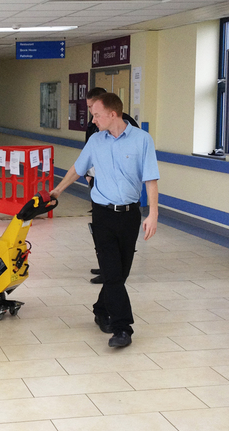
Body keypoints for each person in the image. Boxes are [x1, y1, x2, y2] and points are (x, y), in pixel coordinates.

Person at [50, 93, 159, 348]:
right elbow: (78, 168)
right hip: (102, 214)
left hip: (130, 215)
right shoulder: (96, 141)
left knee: (119, 273)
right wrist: (58, 190)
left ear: (113, 114)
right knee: (111, 271)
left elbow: (151, 179)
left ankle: (101, 308)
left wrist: (153, 213)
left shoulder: (142, 140)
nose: (93, 119)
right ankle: (123, 328)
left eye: (97, 114)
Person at [85, 88, 140, 284]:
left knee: (120, 250)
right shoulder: (93, 127)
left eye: (93, 108)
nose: (92, 115)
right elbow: (87, 156)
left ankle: (111, 272)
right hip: (100, 189)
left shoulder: (132, 128)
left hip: (124, 197)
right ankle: (106, 266)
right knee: (101, 235)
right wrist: (88, 176)